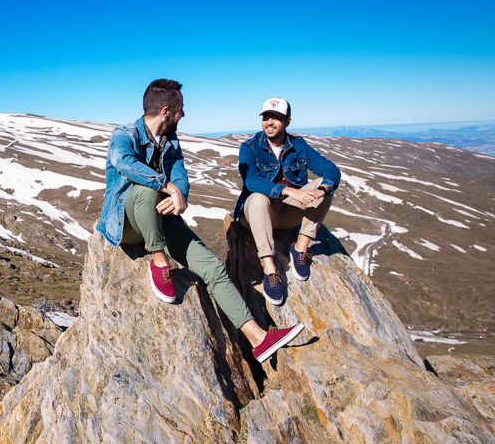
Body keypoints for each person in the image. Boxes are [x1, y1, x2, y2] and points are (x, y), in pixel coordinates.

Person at [96, 79, 304, 363]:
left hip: (160, 219)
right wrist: (165, 186)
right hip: (128, 224)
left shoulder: (171, 141)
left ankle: (258, 338)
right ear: (167, 111)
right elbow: (122, 162)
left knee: (212, 267)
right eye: (181, 109)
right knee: (146, 190)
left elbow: (179, 171)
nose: (184, 115)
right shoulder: (125, 134)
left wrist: (180, 192)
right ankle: (159, 261)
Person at [233, 97, 341, 305]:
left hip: (289, 215)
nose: (269, 122)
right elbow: (252, 180)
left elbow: (330, 170)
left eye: (276, 118)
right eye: (266, 117)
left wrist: (322, 189)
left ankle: (300, 247)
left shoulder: (299, 146)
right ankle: (269, 269)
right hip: (259, 214)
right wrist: (289, 192)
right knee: (256, 198)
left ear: (288, 121)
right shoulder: (250, 147)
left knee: (325, 184)